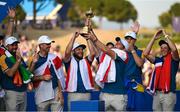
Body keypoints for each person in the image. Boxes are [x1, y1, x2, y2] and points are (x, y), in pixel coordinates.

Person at [88, 29, 129, 111]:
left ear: (124, 48)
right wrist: (90, 30)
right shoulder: (107, 56)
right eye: (117, 42)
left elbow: (106, 49)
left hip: (119, 95)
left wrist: (94, 39)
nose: (117, 43)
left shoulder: (123, 55)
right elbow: (99, 49)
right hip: (105, 93)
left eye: (120, 43)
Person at [0, 8, 31, 111]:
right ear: (6, 46)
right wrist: (11, 20)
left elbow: (26, 71)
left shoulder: (16, 56)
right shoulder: (3, 56)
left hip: (22, 91)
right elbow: (9, 74)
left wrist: (12, 20)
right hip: (10, 92)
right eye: (12, 46)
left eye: (16, 45)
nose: (14, 47)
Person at [143, 29, 179, 111]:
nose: (163, 49)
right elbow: (145, 54)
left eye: (165, 47)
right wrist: (154, 38)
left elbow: (174, 50)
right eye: (161, 48)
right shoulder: (158, 60)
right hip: (157, 94)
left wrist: (166, 35)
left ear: (169, 49)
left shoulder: (174, 59)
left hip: (168, 94)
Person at [28, 35, 65, 111]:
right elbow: (28, 78)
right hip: (41, 93)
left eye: (50, 44)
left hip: (55, 92)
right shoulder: (33, 59)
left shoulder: (55, 58)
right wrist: (42, 77)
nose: (49, 46)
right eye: (47, 44)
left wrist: (60, 93)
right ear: (41, 45)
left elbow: (59, 77)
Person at [63, 31, 95, 110]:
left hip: (86, 93)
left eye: (81, 49)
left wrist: (87, 38)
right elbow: (67, 52)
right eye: (78, 49)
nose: (80, 51)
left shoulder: (86, 61)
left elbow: (93, 53)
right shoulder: (69, 61)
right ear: (73, 51)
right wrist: (73, 37)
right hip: (73, 94)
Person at [124, 21, 146, 111]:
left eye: (131, 39)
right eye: (127, 39)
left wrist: (133, 50)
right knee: (125, 107)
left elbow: (140, 64)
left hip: (138, 83)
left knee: (138, 107)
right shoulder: (122, 52)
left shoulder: (141, 52)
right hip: (125, 83)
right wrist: (134, 33)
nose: (128, 40)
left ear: (135, 40)